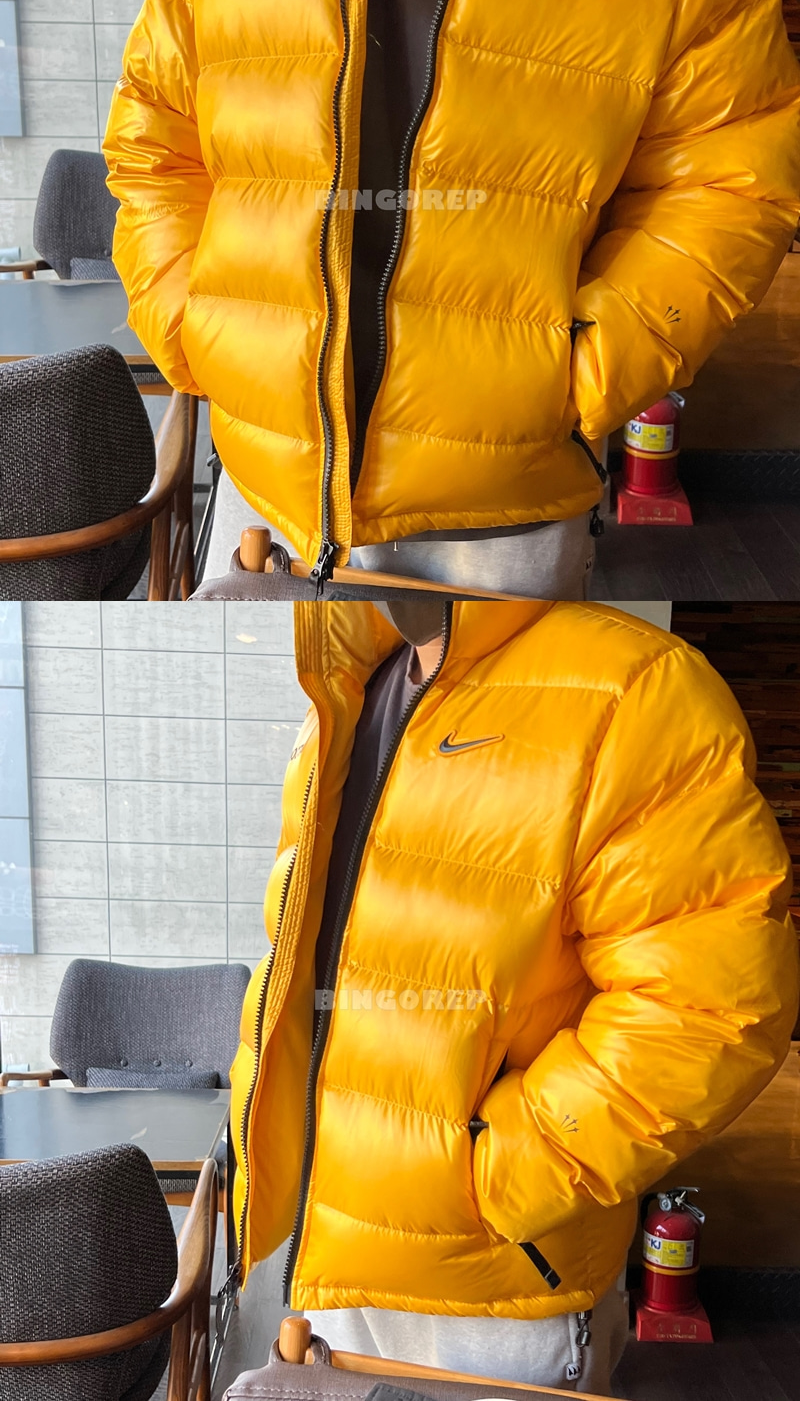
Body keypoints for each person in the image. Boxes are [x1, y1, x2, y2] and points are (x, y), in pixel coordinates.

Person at [103, 0, 800, 582]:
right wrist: (195, 328)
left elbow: (732, 177)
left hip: (504, 510)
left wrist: (586, 371)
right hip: (266, 493)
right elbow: (156, 147)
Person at [226, 581, 796, 1376]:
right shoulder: (349, 681)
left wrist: (495, 1176)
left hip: (489, 1290)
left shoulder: (631, 688)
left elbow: (710, 1005)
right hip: (331, 1251)